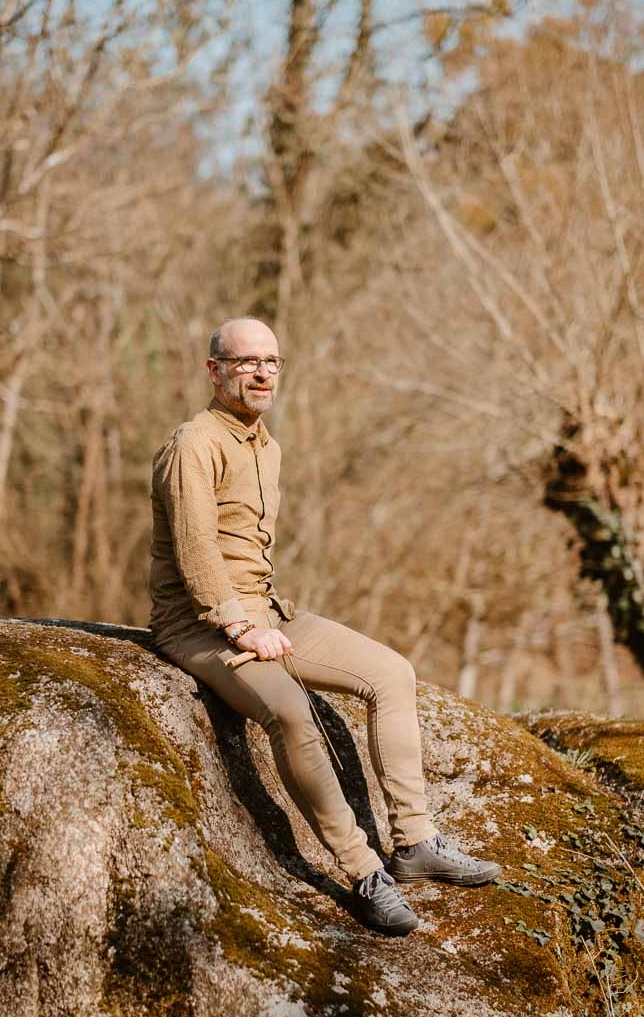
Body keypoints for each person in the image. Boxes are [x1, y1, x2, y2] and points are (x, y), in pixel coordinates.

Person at [148, 316, 499, 935]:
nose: (261, 373)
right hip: (198, 625)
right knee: (292, 714)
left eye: (272, 362)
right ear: (214, 370)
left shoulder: (267, 446)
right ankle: (363, 872)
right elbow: (196, 551)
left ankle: (415, 843)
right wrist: (239, 627)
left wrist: (263, 620)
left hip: (269, 610)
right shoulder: (193, 445)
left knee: (392, 672)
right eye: (246, 362)